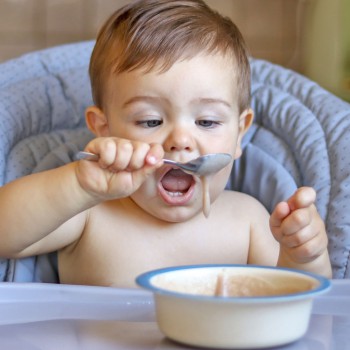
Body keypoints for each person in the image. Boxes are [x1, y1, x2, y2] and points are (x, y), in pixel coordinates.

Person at [0, 0, 331, 287]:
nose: (180, 141)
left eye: (206, 122)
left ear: (240, 133)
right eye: (151, 121)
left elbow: (300, 306)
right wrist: (78, 183)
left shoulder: (248, 221)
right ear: (104, 129)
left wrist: (303, 255)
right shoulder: (90, 214)